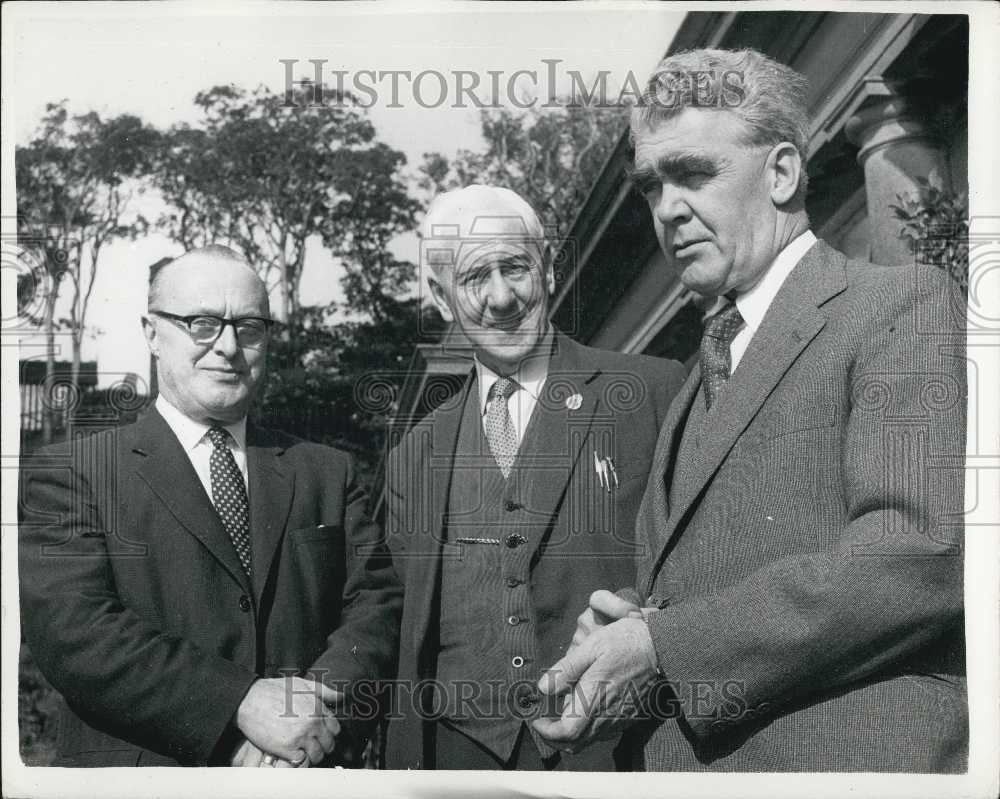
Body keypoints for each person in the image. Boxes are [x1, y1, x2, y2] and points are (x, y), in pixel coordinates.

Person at [532, 48, 967, 772]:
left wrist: (664, 647)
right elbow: (712, 587)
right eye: (650, 186)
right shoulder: (693, 388)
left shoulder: (902, 306)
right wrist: (628, 636)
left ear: (784, 172)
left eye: (695, 173)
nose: (668, 208)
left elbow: (916, 554)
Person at [18, 245, 400, 767]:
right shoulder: (74, 472)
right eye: (201, 324)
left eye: (248, 328)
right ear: (152, 333)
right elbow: (75, 632)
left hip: (303, 774)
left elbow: (377, 608)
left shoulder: (326, 471)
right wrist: (238, 706)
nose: (227, 347)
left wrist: (301, 716)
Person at [381, 185, 686, 770]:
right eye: (475, 278)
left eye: (516, 267)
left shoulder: (652, 392)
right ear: (442, 298)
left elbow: (709, 560)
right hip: (459, 759)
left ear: (547, 268)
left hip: (617, 752)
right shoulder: (415, 453)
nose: (501, 297)